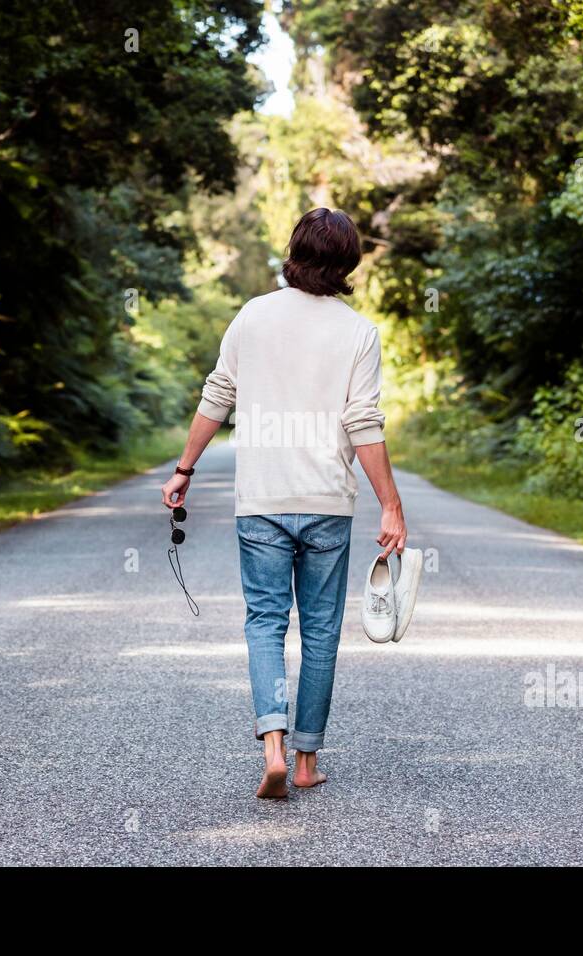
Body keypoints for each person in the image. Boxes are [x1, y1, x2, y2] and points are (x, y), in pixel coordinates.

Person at [161, 207, 409, 799]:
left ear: (294, 253)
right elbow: (363, 423)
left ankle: (270, 743)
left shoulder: (253, 316)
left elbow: (218, 395)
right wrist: (391, 505)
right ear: (347, 263)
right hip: (327, 502)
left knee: (266, 624)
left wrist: (184, 468)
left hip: (263, 503)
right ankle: (304, 762)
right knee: (321, 631)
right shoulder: (359, 332)